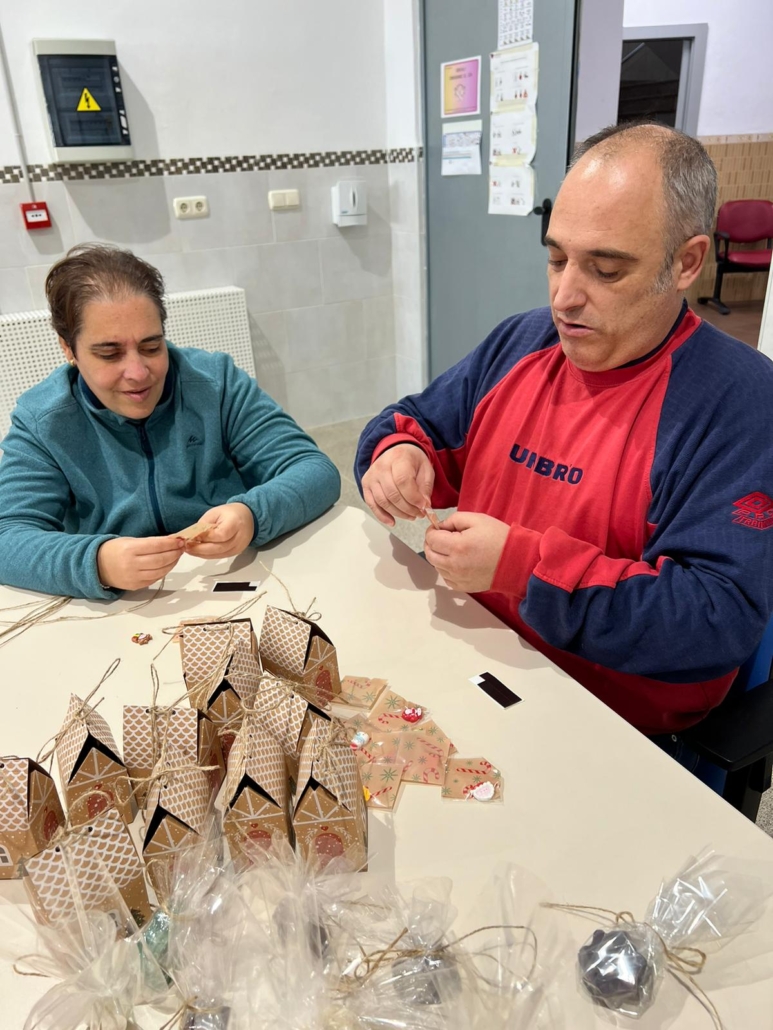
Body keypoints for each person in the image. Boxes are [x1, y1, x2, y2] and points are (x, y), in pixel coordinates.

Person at [356, 122, 773, 741]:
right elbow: (408, 423)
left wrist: (521, 568)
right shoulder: (524, 342)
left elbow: (713, 618)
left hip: (608, 717)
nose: (564, 297)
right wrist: (396, 454)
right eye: (556, 259)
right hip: (480, 655)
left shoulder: (738, 400)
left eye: (605, 270)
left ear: (687, 262)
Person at [0, 243, 340, 599]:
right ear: (68, 348)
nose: (137, 373)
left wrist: (251, 514)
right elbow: (8, 537)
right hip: (116, 607)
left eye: (151, 347)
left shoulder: (216, 383)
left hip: (229, 584)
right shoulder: (43, 420)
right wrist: (97, 561)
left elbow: (315, 470)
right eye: (110, 354)